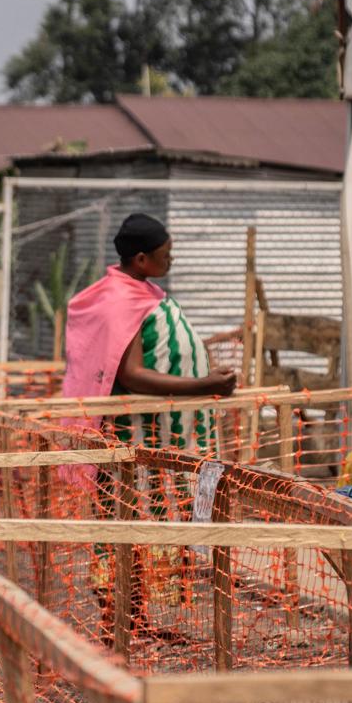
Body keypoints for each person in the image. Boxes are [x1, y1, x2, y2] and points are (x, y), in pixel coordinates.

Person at [60, 214, 237, 634]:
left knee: (146, 523)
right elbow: (131, 374)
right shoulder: (119, 301)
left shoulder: (138, 291)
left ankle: (135, 620)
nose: (171, 260)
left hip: (156, 438)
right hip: (129, 438)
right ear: (141, 259)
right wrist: (201, 385)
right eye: (165, 254)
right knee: (123, 525)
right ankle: (115, 624)